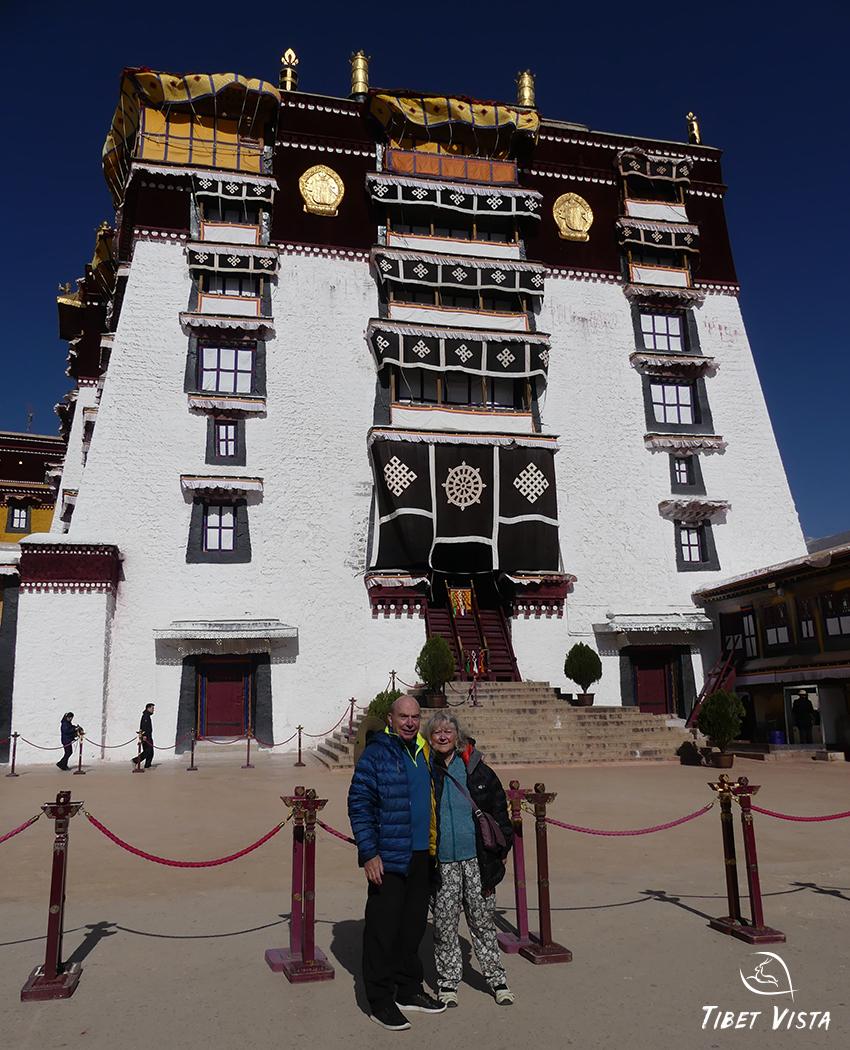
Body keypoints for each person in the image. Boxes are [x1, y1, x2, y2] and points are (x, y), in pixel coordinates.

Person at [347, 694, 446, 1031]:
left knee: (412, 927)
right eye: (403, 716)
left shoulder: (424, 752)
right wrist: (369, 852)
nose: (409, 722)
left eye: (415, 716)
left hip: (422, 854)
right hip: (389, 856)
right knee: (383, 929)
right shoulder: (377, 754)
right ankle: (379, 999)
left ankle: (407, 989)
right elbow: (359, 803)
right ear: (390, 718)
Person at [426, 711, 514, 1007]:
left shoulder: (478, 770)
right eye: (436, 732)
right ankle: (448, 982)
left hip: (476, 860)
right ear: (430, 737)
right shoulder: (425, 770)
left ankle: (496, 978)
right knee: (444, 924)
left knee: (483, 921)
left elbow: (499, 811)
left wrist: (501, 852)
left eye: (447, 731)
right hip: (444, 863)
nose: (442, 736)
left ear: (457, 735)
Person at [131, 703, 155, 769]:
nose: (153, 710)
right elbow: (143, 726)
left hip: (148, 736)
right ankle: (135, 761)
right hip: (146, 737)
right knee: (148, 751)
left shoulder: (147, 716)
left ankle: (147, 765)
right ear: (148, 708)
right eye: (152, 708)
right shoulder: (145, 716)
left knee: (150, 752)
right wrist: (144, 736)